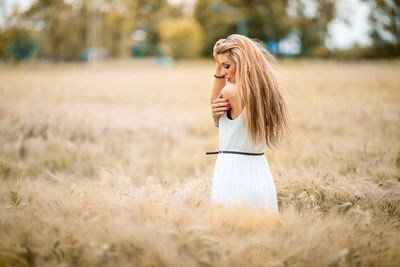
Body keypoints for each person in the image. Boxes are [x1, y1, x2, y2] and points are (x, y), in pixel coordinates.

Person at [207, 34, 289, 212]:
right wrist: (221, 62)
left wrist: (216, 70)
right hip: (260, 174)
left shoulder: (230, 91)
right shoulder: (268, 93)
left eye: (227, 66)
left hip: (232, 173)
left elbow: (217, 112)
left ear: (242, 63)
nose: (223, 72)